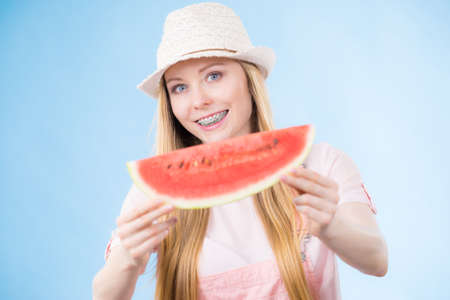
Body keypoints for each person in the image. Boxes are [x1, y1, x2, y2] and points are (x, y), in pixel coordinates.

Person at [92, 2, 388, 300]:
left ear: (250, 79)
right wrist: (129, 260)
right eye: (179, 88)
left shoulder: (321, 164)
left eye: (214, 76)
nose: (199, 101)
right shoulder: (154, 194)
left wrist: (330, 226)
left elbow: (377, 259)